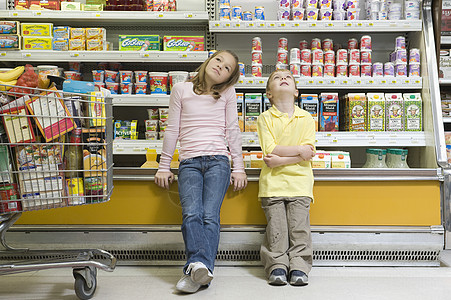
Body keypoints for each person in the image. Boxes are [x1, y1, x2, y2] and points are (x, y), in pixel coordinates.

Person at [154, 50, 248, 293]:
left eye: (227, 68)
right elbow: (172, 130)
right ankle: (200, 270)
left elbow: (232, 130)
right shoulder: (181, 90)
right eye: (218, 60)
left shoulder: (226, 93)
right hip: (189, 162)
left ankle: (194, 268)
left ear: (229, 78)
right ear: (208, 60)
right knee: (191, 214)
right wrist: (164, 165)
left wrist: (239, 167)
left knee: (209, 215)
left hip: (219, 161)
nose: (220, 67)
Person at [257, 69, 316, 287]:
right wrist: (298, 152)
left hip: (300, 183)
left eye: (288, 77)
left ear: (296, 91)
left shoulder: (307, 117)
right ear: (269, 94)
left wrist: (279, 161)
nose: (283, 78)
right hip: (272, 185)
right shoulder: (264, 118)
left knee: (299, 227)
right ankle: (277, 266)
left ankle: (300, 266)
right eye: (276, 78)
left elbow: (308, 150)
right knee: (277, 229)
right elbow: (271, 148)